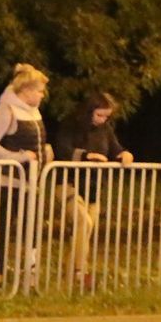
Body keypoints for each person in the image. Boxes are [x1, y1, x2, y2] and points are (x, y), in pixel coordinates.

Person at [0, 63, 53, 284]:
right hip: (6, 181)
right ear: (27, 91)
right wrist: (19, 156)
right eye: (39, 91)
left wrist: (45, 151)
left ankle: (30, 276)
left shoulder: (34, 112)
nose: (42, 95)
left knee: (32, 228)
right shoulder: (6, 110)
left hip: (30, 180)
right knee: (3, 227)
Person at [55, 92, 135, 288]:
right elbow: (62, 149)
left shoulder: (105, 129)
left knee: (84, 232)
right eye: (99, 115)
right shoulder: (71, 125)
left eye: (106, 116)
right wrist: (86, 157)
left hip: (93, 189)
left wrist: (125, 154)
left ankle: (73, 276)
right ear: (89, 111)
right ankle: (79, 273)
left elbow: (116, 149)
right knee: (84, 222)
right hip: (68, 184)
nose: (102, 120)